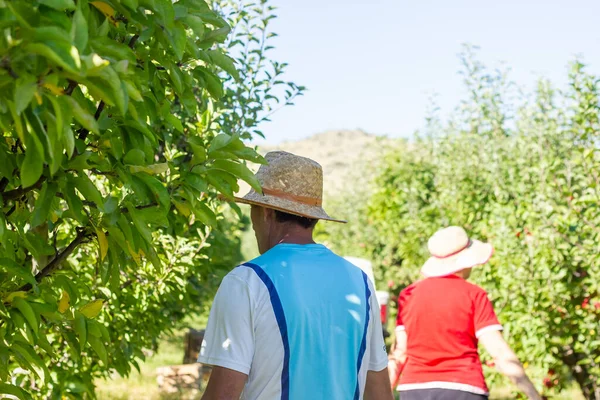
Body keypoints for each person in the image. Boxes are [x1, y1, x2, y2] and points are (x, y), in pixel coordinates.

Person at [199, 151, 393, 400]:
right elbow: (379, 392)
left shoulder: (247, 282)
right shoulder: (359, 282)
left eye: (253, 210)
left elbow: (223, 394)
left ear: (266, 212)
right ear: (313, 218)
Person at [388, 226, 542, 400]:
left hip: (414, 389)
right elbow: (499, 352)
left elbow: (400, 353)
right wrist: (533, 395)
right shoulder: (474, 295)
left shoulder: (409, 296)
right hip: (464, 388)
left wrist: (381, 393)